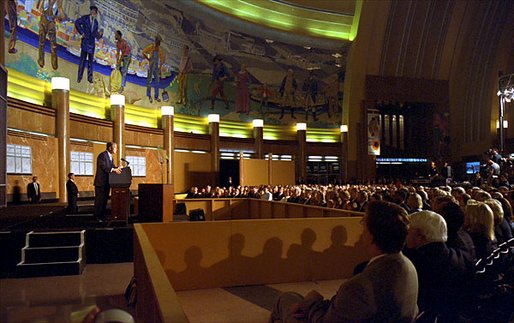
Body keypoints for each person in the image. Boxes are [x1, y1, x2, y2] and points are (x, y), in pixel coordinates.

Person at [270, 201, 418, 322]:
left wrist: (312, 301)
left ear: (372, 236)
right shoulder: (409, 267)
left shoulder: (360, 285)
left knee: (285, 301)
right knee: (291, 298)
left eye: (363, 224)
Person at [94, 142, 122, 222]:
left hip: (107, 183)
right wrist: (114, 169)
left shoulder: (111, 157)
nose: (116, 149)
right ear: (110, 148)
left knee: (104, 201)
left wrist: (118, 168)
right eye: (115, 147)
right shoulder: (102, 155)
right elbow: (103, 167)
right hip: (100, 182)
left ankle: (102, 216)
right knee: (99, 201)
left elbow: (112, 167)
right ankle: (97, 217)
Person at [75, 6, 103, 84]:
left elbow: (95, 34)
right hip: (85, 43)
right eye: (93, 11)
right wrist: (82, 33)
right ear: (91, 11)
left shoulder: (96, 23)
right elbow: (77, 23)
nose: (94, 13)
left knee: (90, 62)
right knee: (82, 61)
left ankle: (90, 78)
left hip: (92, 44)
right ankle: (79, 77)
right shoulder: (85, 18)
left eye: (95, 12)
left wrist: (100, 35)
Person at [36, 0, 64, 70]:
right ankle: (41, 60)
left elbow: (61, 15)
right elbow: (38, 7)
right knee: (41, 42)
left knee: (53, 44)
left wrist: (60, 16)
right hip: (43, 20)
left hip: (51, 22)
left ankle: (54, 63)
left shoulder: (58, 2)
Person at [142, 35, 165, 103]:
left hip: (156, 67)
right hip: (151, 66)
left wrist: (160, 68)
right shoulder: (151, 47)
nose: (158, 43)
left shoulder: (160, 50)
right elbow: (144, 52)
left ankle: (156, 96)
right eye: (158, 41)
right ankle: (149, 95)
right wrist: (148, 59)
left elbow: (162, 60)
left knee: (157, 81)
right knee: (149, 81)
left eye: (159, 42)